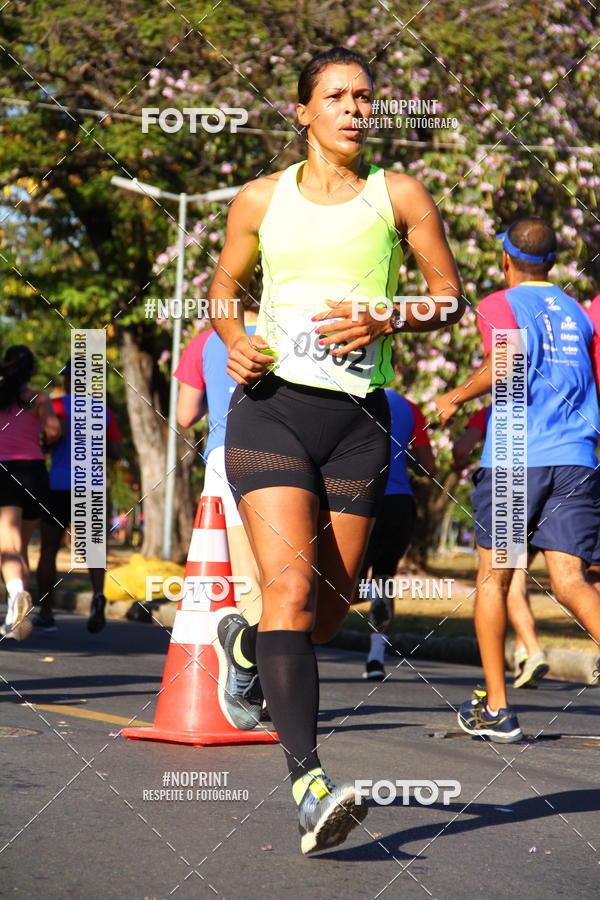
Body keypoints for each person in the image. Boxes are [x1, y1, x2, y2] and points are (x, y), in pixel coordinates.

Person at [208, 46, 463, 853]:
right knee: (286, 593)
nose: (356, 108)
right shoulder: (260, 198)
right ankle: (310, 783)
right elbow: (222, 289)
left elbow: (448, 299)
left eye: (366, 97)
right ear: (303, 111)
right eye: (338, 96)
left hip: (361, 420)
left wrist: (391, 317)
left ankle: (243, 644)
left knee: (322, 614)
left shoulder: (400, 196)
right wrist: (233, 336)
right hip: (272, 410)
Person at [437, 217, 600, 743]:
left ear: (505, 258)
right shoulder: (578, 312)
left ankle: (498, 710)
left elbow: (508, 362)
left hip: (516, 459)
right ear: (552, 262)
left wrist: (456, 396)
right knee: (571, 582)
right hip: (577, 457)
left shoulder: (501, 304)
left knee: (495, 579)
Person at [175, 297, 261, 624]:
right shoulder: (283, 334)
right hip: (287, 456)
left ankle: (250, 658)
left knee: (244, 568)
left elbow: (185, 416)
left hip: (226, 454)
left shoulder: (205, 341)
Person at [452, 406, 549, 689]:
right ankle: (522, 651)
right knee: (523, 577)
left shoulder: (492, 411)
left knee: (506, 579)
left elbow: (462, 448)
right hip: (552, 486)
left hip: (512, 488)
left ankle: (532, 649)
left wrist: (459, 464)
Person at [35, 362, 123, 633]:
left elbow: (48, 439)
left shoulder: (58, 406)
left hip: (59, 484)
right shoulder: (103, 411)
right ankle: (98, 596)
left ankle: (47, 613)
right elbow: (118, 451)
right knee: (95, 550)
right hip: (92, 486)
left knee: (49, 550)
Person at [359, 388, 435, 680]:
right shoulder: (410, 407)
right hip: (399, 504)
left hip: (361, 502)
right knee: (384, 576)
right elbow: (428, 466)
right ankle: (375, 659)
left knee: (343, 582)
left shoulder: (352, 396)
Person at [0, 346, 61, 640]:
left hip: (5, 472)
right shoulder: (39, 398)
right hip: (36, 474)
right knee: (20, 546)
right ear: (32, 370)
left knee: (7, 547)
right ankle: (14, 619)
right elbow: (53, 431)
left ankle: (17, 595)